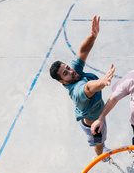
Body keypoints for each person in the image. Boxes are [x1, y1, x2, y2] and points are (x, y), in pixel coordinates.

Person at [49, 16, 115, 157]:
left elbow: (83, 52)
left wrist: (93, 35)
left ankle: (101, 149)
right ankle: (100, 156)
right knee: (100, 143)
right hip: (94, 126)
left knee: (101, 141)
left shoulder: (74, 74)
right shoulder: (76, 91)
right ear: (62, 81)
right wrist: (103, 82)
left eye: (68, 68)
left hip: (93, 116)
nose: (71, 71)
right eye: (66, 73)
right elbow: (88, 88)